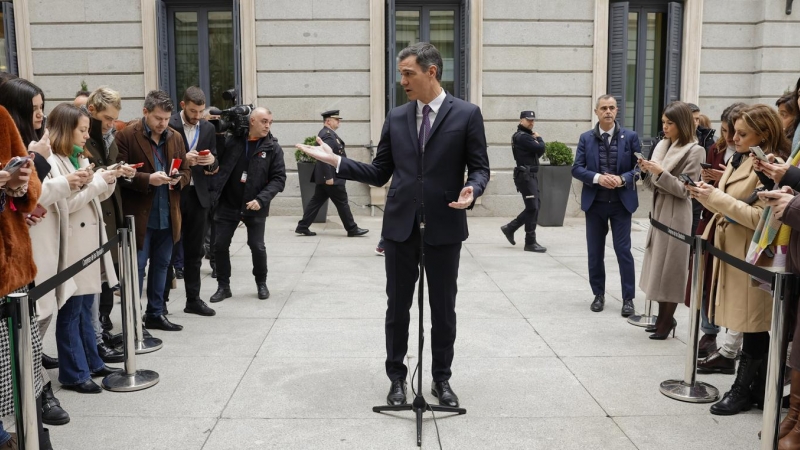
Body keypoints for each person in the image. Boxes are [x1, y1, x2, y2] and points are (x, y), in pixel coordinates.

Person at [296, 42, 490, 408]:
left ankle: (441, 380)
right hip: (400, 227)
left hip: (445, 226)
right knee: (397, 307)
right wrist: (337, 161)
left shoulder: (467, 114)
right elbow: (380, 171)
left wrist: (473, 188)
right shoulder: (397, 117)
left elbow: (479, 166)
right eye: (400, 73)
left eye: (408, 73)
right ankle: (397, 379)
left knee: (443, 308)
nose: (402, 80)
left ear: (431, 72)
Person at [687, 103, 791, 415]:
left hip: (753, 256)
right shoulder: (741, 158)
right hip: (733, 252)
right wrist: (707, 194)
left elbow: (761, 217)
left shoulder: (770, 165)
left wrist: (713, 197)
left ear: (764, 134)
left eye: (743, 133)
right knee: (749, 323)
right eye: (734, 131)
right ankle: (757, 388)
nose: (734, 137)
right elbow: (728, 200)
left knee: (755, 325)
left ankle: (743, 389)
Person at [48, 103, 123, 394]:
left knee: (84, 308)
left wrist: (109, 178)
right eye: (81, 130)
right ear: (66, 129)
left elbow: (91, 196)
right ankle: (74, 372)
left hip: (88, 242)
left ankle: (91, 361)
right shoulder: (54, 160)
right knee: (71, 311)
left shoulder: (73, 156)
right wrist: (96, 184)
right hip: (72, 245)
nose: (85, 135)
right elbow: (66, 205)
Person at [117, 90, 191, 332]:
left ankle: (156, 313)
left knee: (162, 266)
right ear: (145, 112)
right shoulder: (127, 135)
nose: (163, 124)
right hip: (140, 216)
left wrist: (177, 179)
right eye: (158, 118)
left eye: (167, 119)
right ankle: (134, 318)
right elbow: (120, 174)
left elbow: (187, 172)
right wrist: (148, 179)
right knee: (137, 267)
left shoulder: (175, 137)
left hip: (168, 214)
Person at [0, 103, 48, 448]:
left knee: (18, 370)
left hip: (9, 267)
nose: (39, 114)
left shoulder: (0, 117)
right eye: (34, 108)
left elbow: (30, 188)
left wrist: (16, 184)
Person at [638, 101, 705, 339]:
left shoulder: (695, 150)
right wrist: (647, 170)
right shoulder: (663, 146)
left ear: (682, 124)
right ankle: (662, 318)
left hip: (677, 214)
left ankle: (667, 320)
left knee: (672, 270)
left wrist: (659, 172)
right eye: (663, 123)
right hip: (659, 212)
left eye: (670, 123)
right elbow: (655, 182)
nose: (665, 128)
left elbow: (686, 190)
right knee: (658, 267)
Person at [571, 95, 640, 317]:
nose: (608, 111)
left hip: (621, 204)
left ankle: (628, 299)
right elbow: (577, 168)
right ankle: (598, 295)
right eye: (603, 108)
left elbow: (640, 168)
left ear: (617, 110)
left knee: (623, 251)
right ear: (596, 111)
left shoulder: (630, 137)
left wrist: (622, 179)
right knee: (595, 252)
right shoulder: (585, 138)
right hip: (595, 204)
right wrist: (598, 178)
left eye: (611, 108)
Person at [209, 107, 286, 302]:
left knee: (257, 246)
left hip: (255, 204)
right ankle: (223, 286)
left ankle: (261, 283)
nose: (267, 125)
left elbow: (279, 179)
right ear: (252, 121)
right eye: (263, 121)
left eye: (270, 122)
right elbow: (216, 157)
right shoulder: (232, 140)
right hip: (228, 203)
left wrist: (261, 199)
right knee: (219, 246)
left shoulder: (272, 147)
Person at [163, 86, 218, 316]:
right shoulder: (169, 124)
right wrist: (183, 160)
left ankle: (193, 299)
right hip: (174, 193)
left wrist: (212, 161)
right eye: (194, 111)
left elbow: (215, 163)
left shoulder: (207, 127)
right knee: (166, 250)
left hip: (198, 195)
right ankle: (160, 302)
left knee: (195, 251)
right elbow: (161, 159)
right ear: (183, 105)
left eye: (201, 112)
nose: (197, 116)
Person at [83, 86, 128, 363]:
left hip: (110, 210)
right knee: (93, 286)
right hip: (91, 216)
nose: (111, 123)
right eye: (107, 118)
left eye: (114, 118)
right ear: (92, 111)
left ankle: (102, 330)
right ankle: (95, 340)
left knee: (106, 280)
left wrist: (119, 171)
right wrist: (107, 173)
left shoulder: (108, 136)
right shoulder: (85, 135)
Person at [295, 110, 368, 238]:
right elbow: (324, 157)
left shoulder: (329, 134)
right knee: (342, 202)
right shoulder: (327, 135)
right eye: (336, 119)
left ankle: (302, 226)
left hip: (329, 177)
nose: (338, 121)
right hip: (332, 177)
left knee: (316, 201)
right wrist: (328, 177)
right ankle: (352, 229)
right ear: (328, 121)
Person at [500, 110, 546, 252]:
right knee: (533, 207)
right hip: (525, 176)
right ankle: (529, 241)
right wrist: (540, 138)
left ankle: (511, 228)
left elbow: (538, 153)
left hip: (529, 176)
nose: (531, 122)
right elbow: (540, 148)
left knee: (535, 206)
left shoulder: (526, 136)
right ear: (521, 120)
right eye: (528, 120)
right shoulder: (523, 137)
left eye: (533, 120)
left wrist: (536, 142)